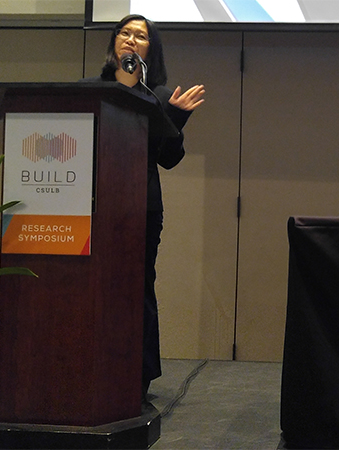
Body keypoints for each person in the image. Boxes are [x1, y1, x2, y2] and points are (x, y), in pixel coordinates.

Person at [81, 14, 205, 400]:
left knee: (137, 287)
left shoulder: (160, 97)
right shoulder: (86, 90)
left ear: (152, 49)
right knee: (88, 285)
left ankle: (138, 374)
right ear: (114, 42)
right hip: (89, 205)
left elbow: (168, 158)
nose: (132, 39)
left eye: (141, 36)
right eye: (125, 33)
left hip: (141, 207)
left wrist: (176, 118)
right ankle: (86, 365)